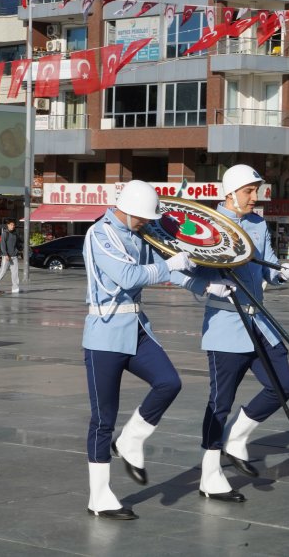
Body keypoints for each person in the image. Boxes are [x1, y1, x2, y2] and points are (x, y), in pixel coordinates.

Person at [180, 164, 289, 504]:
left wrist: (282, 272)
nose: (255, 197)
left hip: (259, 321)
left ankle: (236, 437)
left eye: (257, 189)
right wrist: (206, 284)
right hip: (225, 324)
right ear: (230, 192)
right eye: (249, 191)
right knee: (220, 402)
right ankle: (210, 473)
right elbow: (192, 275)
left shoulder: (258, 224)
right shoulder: (207, 225)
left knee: (282, 385)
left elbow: (267, 263)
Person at [82, 180, 197, 520]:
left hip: (136, 329)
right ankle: (99, 497)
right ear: (129, 211)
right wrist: (171, 265)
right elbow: (130, 276)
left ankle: (131, 438)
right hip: (104, 335)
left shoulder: (138, 233)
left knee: (169, 382)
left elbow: (169, 269)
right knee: (103, 419)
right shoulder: (100, 234)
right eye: (144, 218)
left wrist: (205, 284)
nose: (148, 223)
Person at [0, 218, 20, 294]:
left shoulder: (15, 234)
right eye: (11, 225)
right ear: (8, 225)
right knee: (2, 272)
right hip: (6, 257)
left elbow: (17, 244)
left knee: (15, 273)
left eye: (13, 225)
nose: (12, 226)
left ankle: (15, 288)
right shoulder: (5, 233)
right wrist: (5, 254)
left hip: (14, 256)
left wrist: (17, 251)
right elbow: (2, 245)